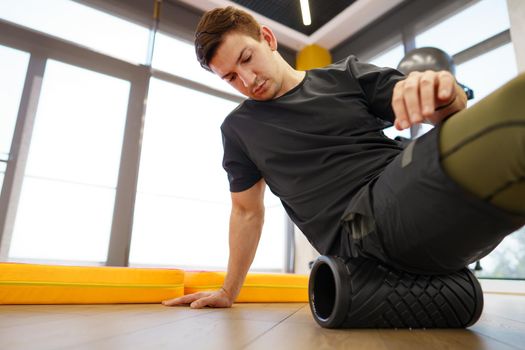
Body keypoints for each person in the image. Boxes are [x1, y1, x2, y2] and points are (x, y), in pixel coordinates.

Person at [162, 6, 525, 309]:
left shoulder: (346, 76)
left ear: (267, 39)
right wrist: (229, 291)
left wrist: (441, 91)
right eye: (230, 77)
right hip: (359, 232)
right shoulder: (239, 129)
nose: (246, 79)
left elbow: (446, 106)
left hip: (411, 196)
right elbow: (246, 211)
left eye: (246, 58)